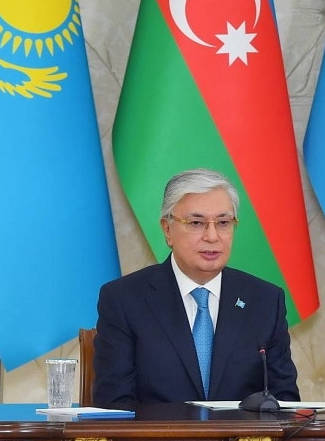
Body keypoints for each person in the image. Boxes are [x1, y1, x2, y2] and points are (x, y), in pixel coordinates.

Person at [93, 168, 300, 408]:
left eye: (223, 222)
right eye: (196, 223)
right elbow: (113, 407)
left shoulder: (265, 301)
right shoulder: (123, 300)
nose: (212, 236)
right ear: (167, 229)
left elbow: (285, 404)